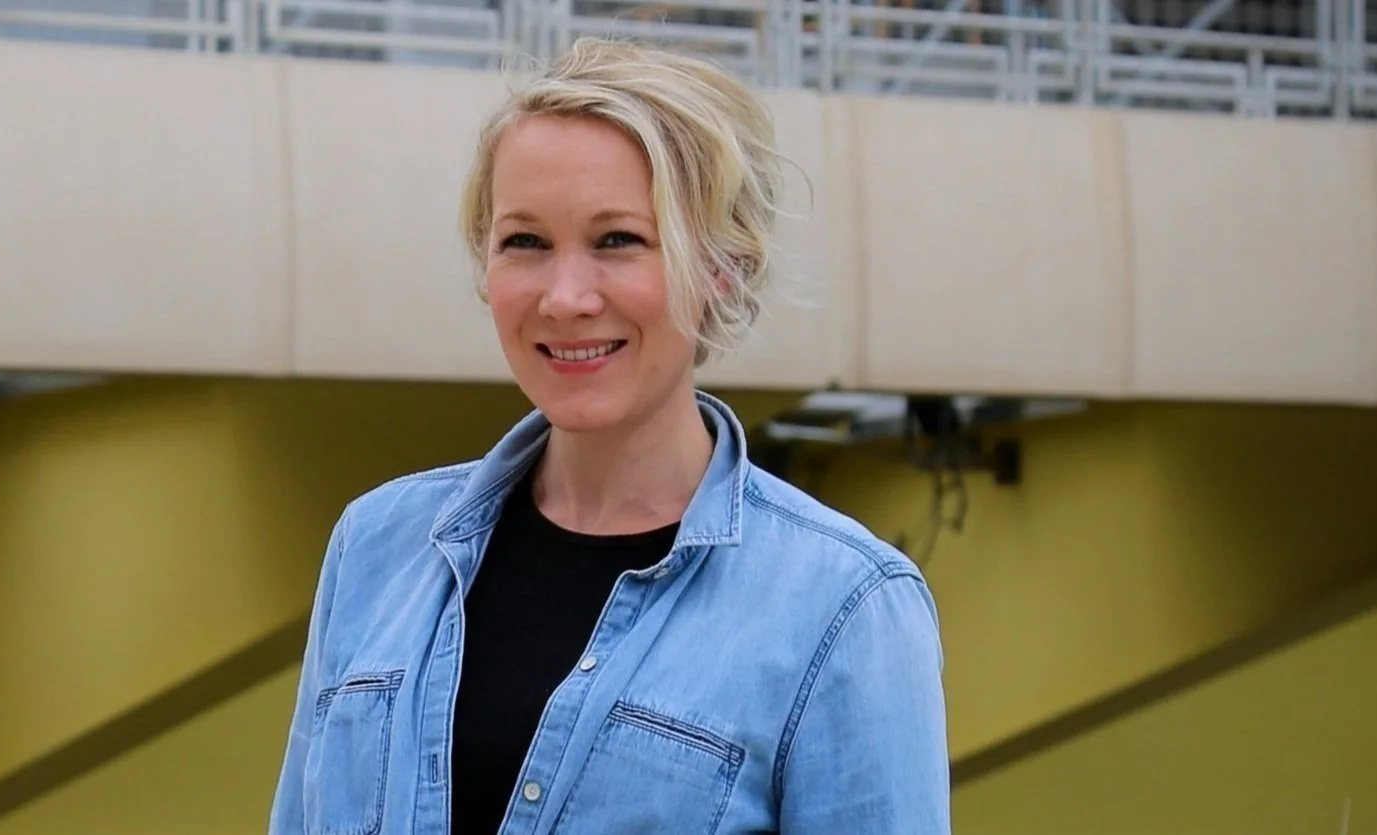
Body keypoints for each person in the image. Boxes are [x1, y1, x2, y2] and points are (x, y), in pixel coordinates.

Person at [268, 37, 950, 835]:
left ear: (722, 267)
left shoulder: (844, 603)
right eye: (524, 242)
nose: (565, 298)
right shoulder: (376, 546)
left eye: (617, 240)